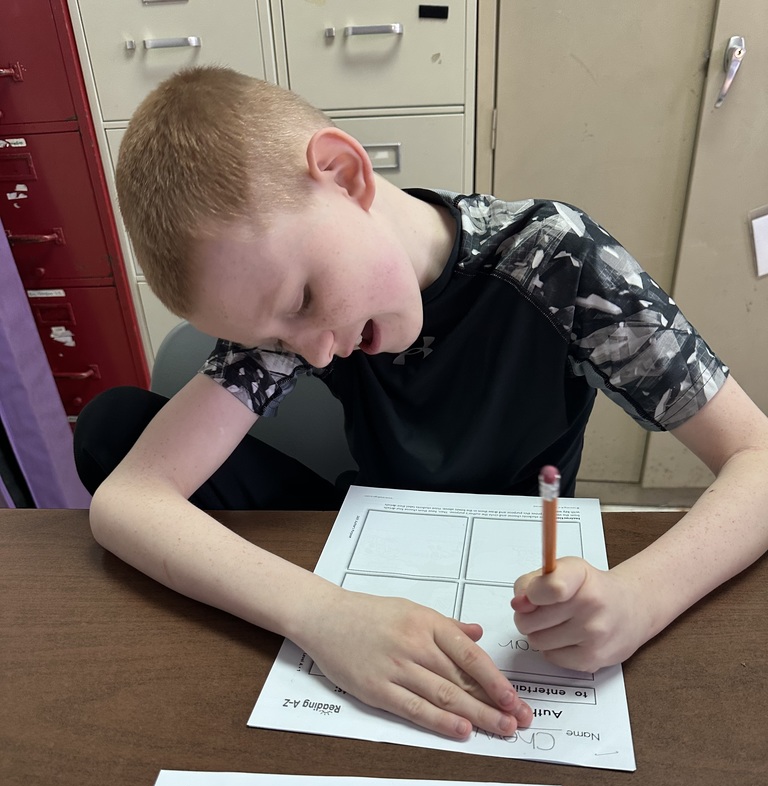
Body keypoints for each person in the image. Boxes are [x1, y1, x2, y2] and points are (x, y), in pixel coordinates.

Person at [74, 66, 768, 741]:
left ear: (346, 177)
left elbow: (758, 457)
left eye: (304, 301)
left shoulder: (556, 259)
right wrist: (322, 614)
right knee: (113, 425)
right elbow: (129, 498)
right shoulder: (291, 315)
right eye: (275, 336)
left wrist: (639, 599)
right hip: (370, 550)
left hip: (520, 577)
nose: (312, 353)